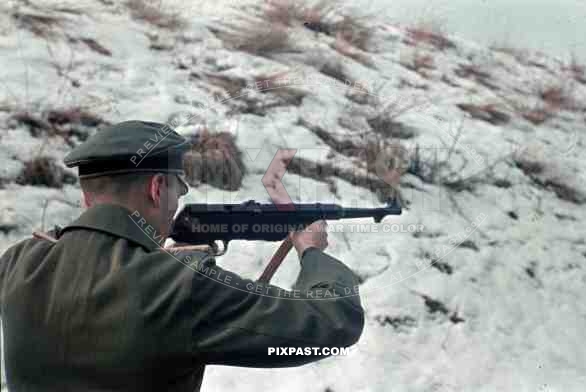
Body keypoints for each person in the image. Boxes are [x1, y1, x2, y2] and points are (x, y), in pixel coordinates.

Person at [0, 120, 365, 391]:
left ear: (86, 197)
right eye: (178, 189)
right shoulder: (179, 283)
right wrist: (312, 252)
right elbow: (331, 322)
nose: (177, 203)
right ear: (158, 188)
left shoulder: (19, 262)